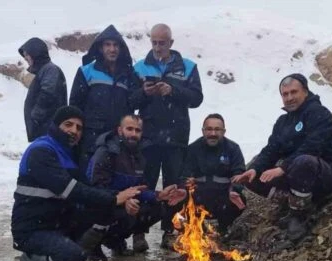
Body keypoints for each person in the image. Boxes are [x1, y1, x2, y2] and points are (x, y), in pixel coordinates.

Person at [11, 106, 142, 261]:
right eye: (68, 124)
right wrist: (114, 198)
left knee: (107, 212)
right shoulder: (41, 151)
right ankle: (32, 258)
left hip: (58, 221)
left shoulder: (68, 154)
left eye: (79, 128)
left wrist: (120, 196)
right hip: (33, 228)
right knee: (72, 254)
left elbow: (87, 187)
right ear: (56, 126)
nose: (74, 131)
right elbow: (71, 190)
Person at [232, 73, 332, 243]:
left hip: (325, 174)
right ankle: (295, 201)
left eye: (294, 92)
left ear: (305, 92)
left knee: (304, 161)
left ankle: (299, 215)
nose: (289, 98)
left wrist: (283, 168)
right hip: (296, 174)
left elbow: (314, 146)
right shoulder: (282, 122)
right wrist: (255, 168)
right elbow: (271, 150)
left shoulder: (319, 113)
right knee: (250, 178)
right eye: (285, 94)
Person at [131, 23, 203, 248]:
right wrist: (144, 93)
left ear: (171, 43)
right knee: (145, 184)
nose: (158, 47)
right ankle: (139, 232)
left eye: (162, 43)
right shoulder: (140, 67)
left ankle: (170, 231)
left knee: (174, 186)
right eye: (154, 42)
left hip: (176, 137)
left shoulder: (188, 67)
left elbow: (197, 98)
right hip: (149, 138)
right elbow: (130, 101)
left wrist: (173, 91)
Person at [87, 115, 177, 258]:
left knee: (157, 208)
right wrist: (121, 199)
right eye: (129, 129)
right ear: (120, 130)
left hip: (122, 203)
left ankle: (116, 240)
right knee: (122, 213)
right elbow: (94, 189)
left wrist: (158, 195)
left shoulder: (139, 156)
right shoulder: (105, 152)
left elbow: (138, 190)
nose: (134, 134)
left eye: (138, 130)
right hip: (101, 205)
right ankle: (94, 245)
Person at [69, 25, 138, 170]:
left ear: (121, 48)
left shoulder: (129, 75)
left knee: (115, 180)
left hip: (118, 138)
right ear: (100, 48)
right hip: (91, 138)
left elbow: (133, 104)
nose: (112, 49)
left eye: (115, 45)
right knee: (89, 177)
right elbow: (75, 105)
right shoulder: (86, 71)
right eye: (107, 45)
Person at [170, 114, 246, 235]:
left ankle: (224, 229)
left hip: (223, 198)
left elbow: (239, 173)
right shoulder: (193, 149)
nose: (213, 133)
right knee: (176, 198)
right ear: (203, 131)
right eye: (209, 129)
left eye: (217, 129)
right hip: (199, 197)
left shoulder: (233, 149)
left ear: (224, 131)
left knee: (240, 199)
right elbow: (184, 174)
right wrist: (183, 189)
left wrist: (234, 190)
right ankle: (193, 229)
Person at [18, 37, 67, 142]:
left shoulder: (50, 69)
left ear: (35, 53)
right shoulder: (45, 70)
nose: (25, 58)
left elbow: (48, 93)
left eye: (27, 54)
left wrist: (36, 117)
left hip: (47, 129)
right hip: (44, 129)